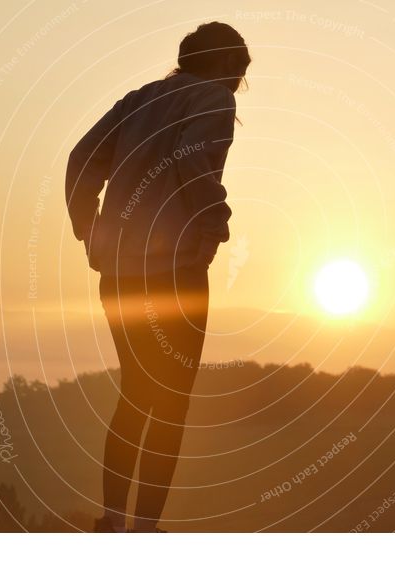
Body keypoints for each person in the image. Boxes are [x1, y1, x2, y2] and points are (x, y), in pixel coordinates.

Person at [65, 22, 250, 533]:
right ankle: (145, 528)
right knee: (171, 403)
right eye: (239, 70)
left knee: (136, 395)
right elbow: (195, 164)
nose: (238, 83)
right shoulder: (214, 98)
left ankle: (114, 520)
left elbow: (81, 159)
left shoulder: (139, 99)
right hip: (175, 274)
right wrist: (214, 225)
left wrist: (90, 228)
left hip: (120, 273)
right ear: (226, 65)